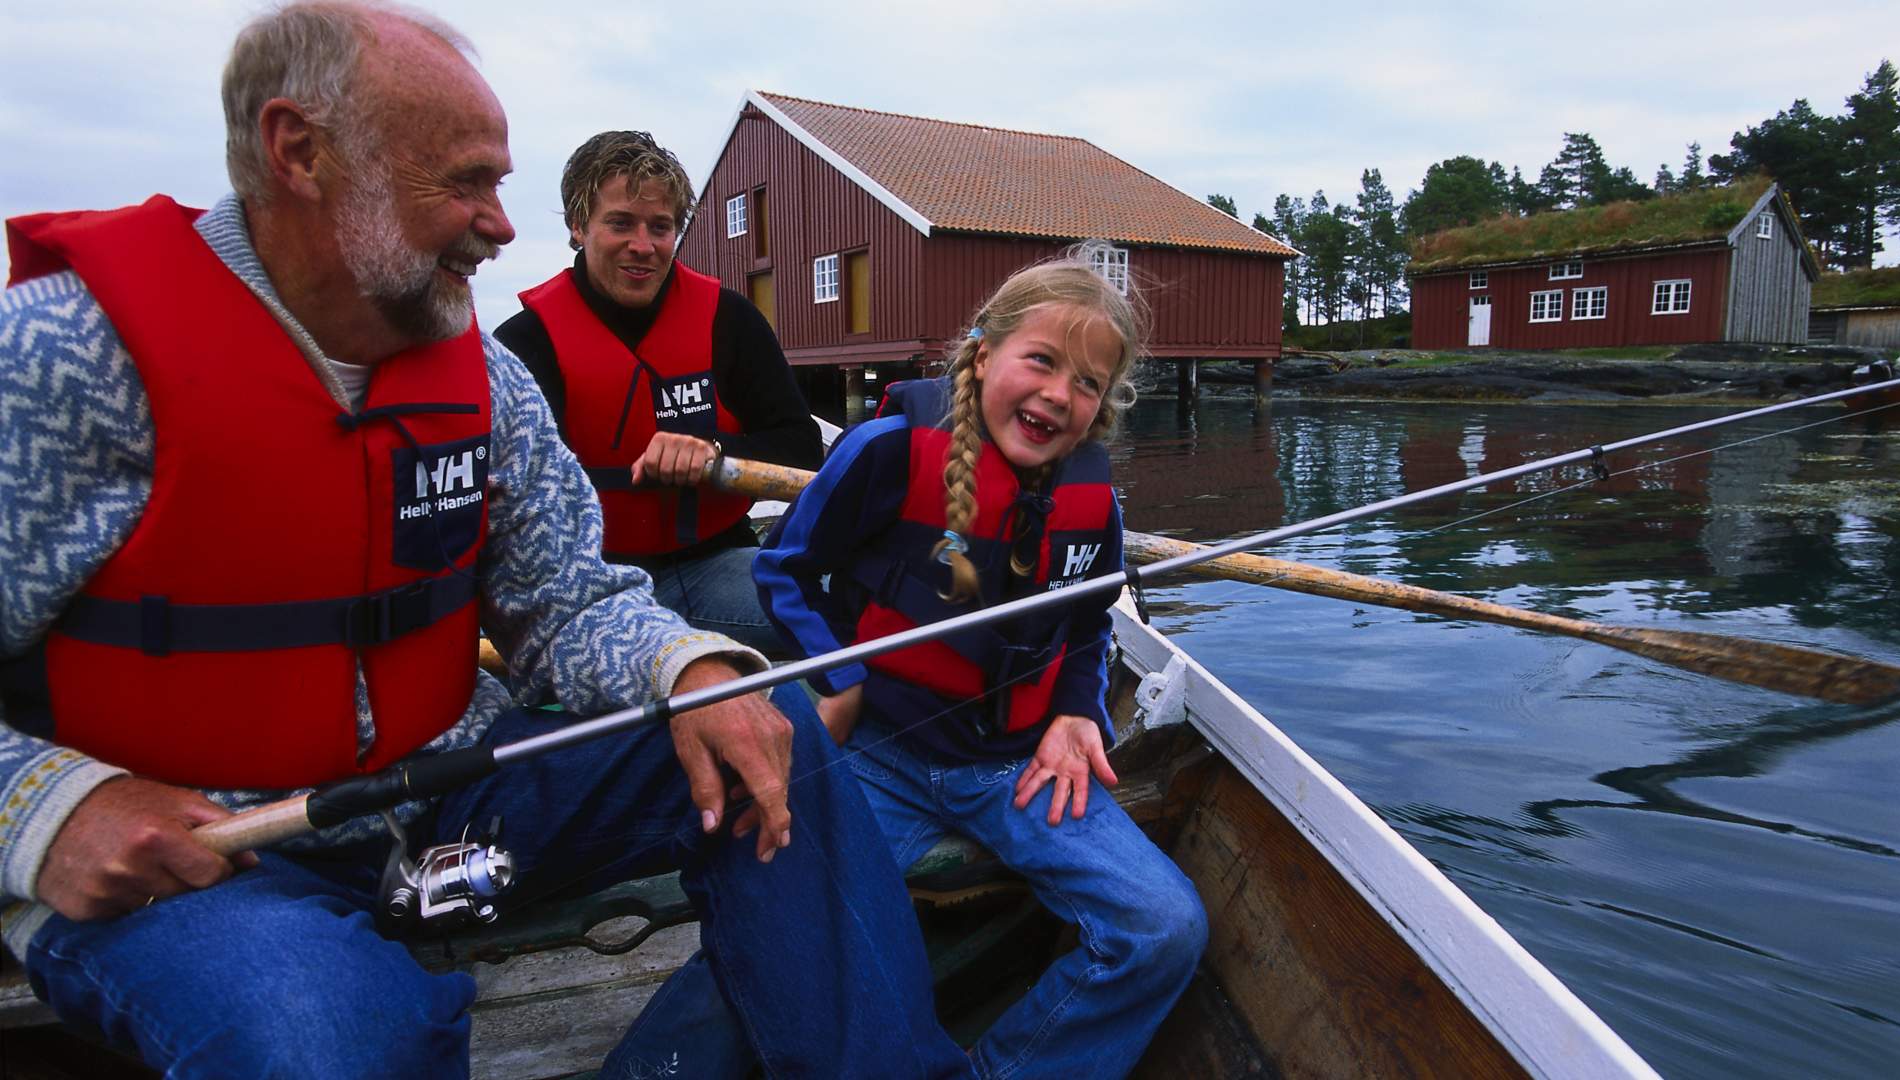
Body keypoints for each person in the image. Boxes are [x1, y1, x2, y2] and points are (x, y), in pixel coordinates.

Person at [0, 4, 969, 1077]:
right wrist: (43, 808)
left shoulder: (478, 374)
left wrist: (684, 661)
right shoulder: (60, 357)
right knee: (326, 1034)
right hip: (202, 859)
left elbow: (568, 597)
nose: (499, 226)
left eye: (499, 186)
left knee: (762, 720)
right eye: (464, 183)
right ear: (300, 152)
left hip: (455, 791)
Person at [632, 249, 1209, 1079]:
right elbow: (784, 571)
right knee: (769, 935)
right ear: (984, 355)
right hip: (877, 756)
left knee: (1164, 929)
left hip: (1017, 770)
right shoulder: (887, 451)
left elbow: (1088, 624)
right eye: (1040, 360)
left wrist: (1079, 711)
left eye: (1087, 382)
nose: (1058, 393)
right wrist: (840, 674)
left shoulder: (1094, 504)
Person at [494, 131, 820, 658]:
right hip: (594, 588)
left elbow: (802, 448)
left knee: (846, 606)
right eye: (620, 223)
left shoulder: (729, 320)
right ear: (578, 227)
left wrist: (715, 452)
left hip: (717, 565)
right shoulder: (524, 344)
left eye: (660, 227)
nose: (643, 246)